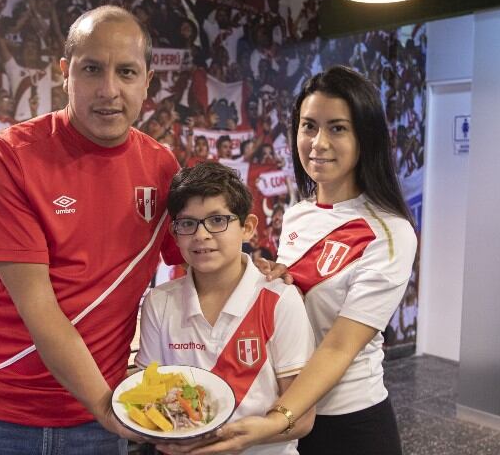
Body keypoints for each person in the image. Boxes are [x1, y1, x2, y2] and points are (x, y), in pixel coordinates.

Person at [0, 5, 184, 455]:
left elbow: (197, 267)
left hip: (99, 418)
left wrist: (260, 273)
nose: (109, 90)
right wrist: (110, 409)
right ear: (65, 73)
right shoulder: (8, 156)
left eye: (127, 72)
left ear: (147, 82)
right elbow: (41, 310)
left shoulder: (161, 167)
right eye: (92, 69)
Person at [163, 66, 417, 455]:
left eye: (337, 128)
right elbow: (291, 309)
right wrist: (275, 276)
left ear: (365, 136)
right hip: (287, 413)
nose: (318, 142)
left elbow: (339, 348)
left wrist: (280, 418)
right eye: (308, 126)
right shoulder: (299, 212)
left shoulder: (390, 233)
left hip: (347, 421)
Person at [135, 162, 316, 454]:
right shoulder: (160, 302)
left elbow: (304, 418)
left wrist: (245, 437)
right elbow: (148, 399)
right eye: (187, 223)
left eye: (217, 220)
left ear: (247, 227)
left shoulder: (279, 299)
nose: (201, 235)